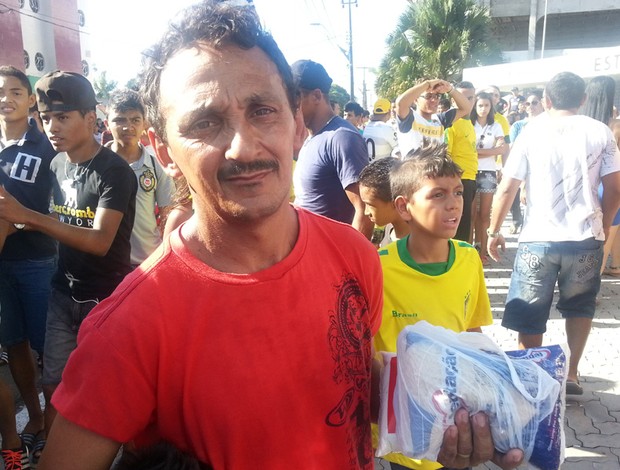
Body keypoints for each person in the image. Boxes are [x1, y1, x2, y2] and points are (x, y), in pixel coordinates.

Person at [35, 3, 523, 470]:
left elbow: (355, 384)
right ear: (162, 149)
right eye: (206, 122)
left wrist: (444, 426)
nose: (244, 147)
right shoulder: (127, 326)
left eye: (263, 110)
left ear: (296, 125)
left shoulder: (353, 255)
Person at [0, 70, 137, 461]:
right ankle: (56, 453)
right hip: (62, 291)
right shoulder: (57, 165)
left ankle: (125, 455)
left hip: (105, 298)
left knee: (107, 387)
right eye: (46, 118)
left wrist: (29, 215)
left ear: (91, 119)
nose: (52, 126)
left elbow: (99, 241)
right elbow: (52, 220)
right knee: (54, 382)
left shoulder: (115, 171)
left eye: (62, 117)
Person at [487, 71, 620, 396]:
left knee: (529, 311)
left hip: (538, 239)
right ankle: (572, 374)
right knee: (580, 306)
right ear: (583, 100)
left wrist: (493, 230)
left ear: (546, 100)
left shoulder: (532, 131)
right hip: (585, 238)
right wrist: (604, 225)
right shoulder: (600, 131)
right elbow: (615, 187)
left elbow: (507, 187)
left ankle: (529, 378)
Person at [374, 143, 493, 470]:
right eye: (437, 195)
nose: (454, 204)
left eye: (457, 192)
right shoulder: (377, 269)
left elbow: (471, 330)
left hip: (457, 422)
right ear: (404, 207)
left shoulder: (469, 259)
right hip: (405, 431)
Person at [0, 65, 57, 469]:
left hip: (37, 259)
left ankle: (55, 427)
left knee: (47, 349)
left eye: (16, 92)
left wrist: (15, 220)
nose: (7, 98)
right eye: (1, 92)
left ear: (30, 99)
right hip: (2, 262)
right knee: (14, 343)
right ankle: (34, 419)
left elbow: (53, 206)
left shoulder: (45, 148)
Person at [292, 60, 373, 238]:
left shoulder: (342, 137)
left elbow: (365, 210)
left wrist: (350, 263)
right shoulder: (312, 137)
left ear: (316, 96)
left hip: (332, 258)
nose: (290, 105)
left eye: (295, 98)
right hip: (309, 254)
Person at [105, 88, 175, 266]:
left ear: (144, 123)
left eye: (135, 120)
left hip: (148, 261)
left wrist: (164, 254)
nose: (128, 127)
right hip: (105, 264)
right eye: (120, 120)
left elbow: (168, 211)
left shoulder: (156, 164)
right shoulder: (96, 163)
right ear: (107, 124)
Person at [579, 75, 620, 276]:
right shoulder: (614, 126)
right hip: (611, 183)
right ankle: (594, 283)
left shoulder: (579, 124)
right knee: (608, 232)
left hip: (586, 183)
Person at [471, 92, 507, 264]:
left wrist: (478, 153)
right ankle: (469, 251)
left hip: (488, 172)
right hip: (469, 171)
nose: (483, 109)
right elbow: (467, 151)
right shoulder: (468, 124)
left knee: (484, 214)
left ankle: (481, 251)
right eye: (480, 105)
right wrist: (490, 152)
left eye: (486, 105)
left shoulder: (497, 126)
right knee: (470, 214)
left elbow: (502, 149)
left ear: (491, 107)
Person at [394, 78, 472, 157]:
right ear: (416, 99)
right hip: (413, 169)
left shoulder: (440, 120)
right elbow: (400, 103)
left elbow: (466, 108)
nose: (434, 100)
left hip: (437, 168)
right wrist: (427, 84)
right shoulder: (409, 118)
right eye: (428, 96)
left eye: (437, 96)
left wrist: (450, 89)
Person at [507, 91, 544, 234]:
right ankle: (517, 221)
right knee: (516, 199)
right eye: (527, 103)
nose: (531, 106)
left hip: (541, 170)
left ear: (542, 103)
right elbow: (512, 149)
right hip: (521, 167)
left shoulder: (550, 124)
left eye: (534, 102)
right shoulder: (518, 125)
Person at [445, 81, 477, 243]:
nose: (467, 101)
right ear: (453, 99)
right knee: (459, 230)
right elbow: (446, 155)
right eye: (462, 97)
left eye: (470, 98)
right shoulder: (451, 123)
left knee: (466, 226)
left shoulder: (468, 122)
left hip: (471, 178)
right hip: (459, 181)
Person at [358, 157, 408, 247]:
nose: (366, 212)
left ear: (396, 203)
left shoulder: (417, 248)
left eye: (369, 205)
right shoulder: (381, 227)